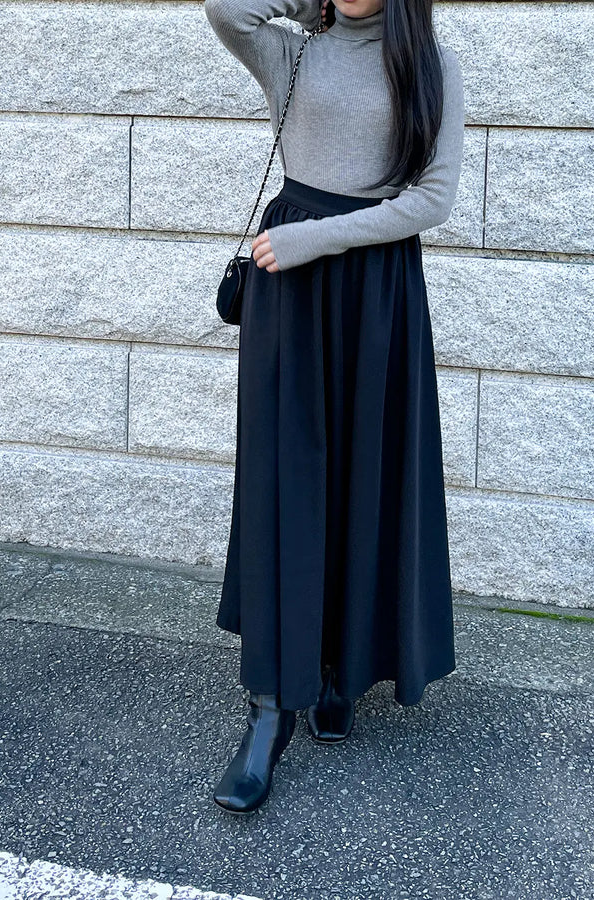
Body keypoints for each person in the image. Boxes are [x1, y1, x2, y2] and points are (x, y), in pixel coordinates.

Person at [203, 0, 465, 815]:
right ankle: (268, 711)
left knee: (362, 472)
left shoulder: (431, 66)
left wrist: (318, 238)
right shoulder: (292, 53)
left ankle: (339, 673)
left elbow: (433, 199)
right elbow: (225, 9)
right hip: (288, 291)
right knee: (283, 483)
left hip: (375, 289)